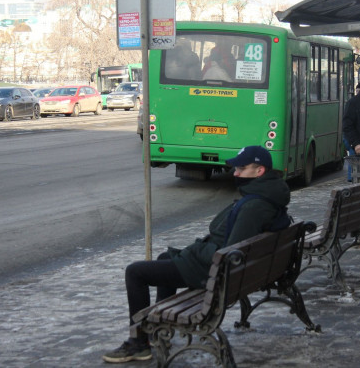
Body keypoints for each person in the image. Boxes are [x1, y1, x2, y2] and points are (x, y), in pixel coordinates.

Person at [102, 146, 290, 364]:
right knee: (165, 257)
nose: (235, 173)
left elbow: (229, 254)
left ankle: (138, 343)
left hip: (214, 274)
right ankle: (156, 330)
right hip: (231, 271)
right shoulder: (267, 196)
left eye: (241, 168)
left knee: (135, 272)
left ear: (259, 171)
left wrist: (195, 250)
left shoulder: (255, 206)